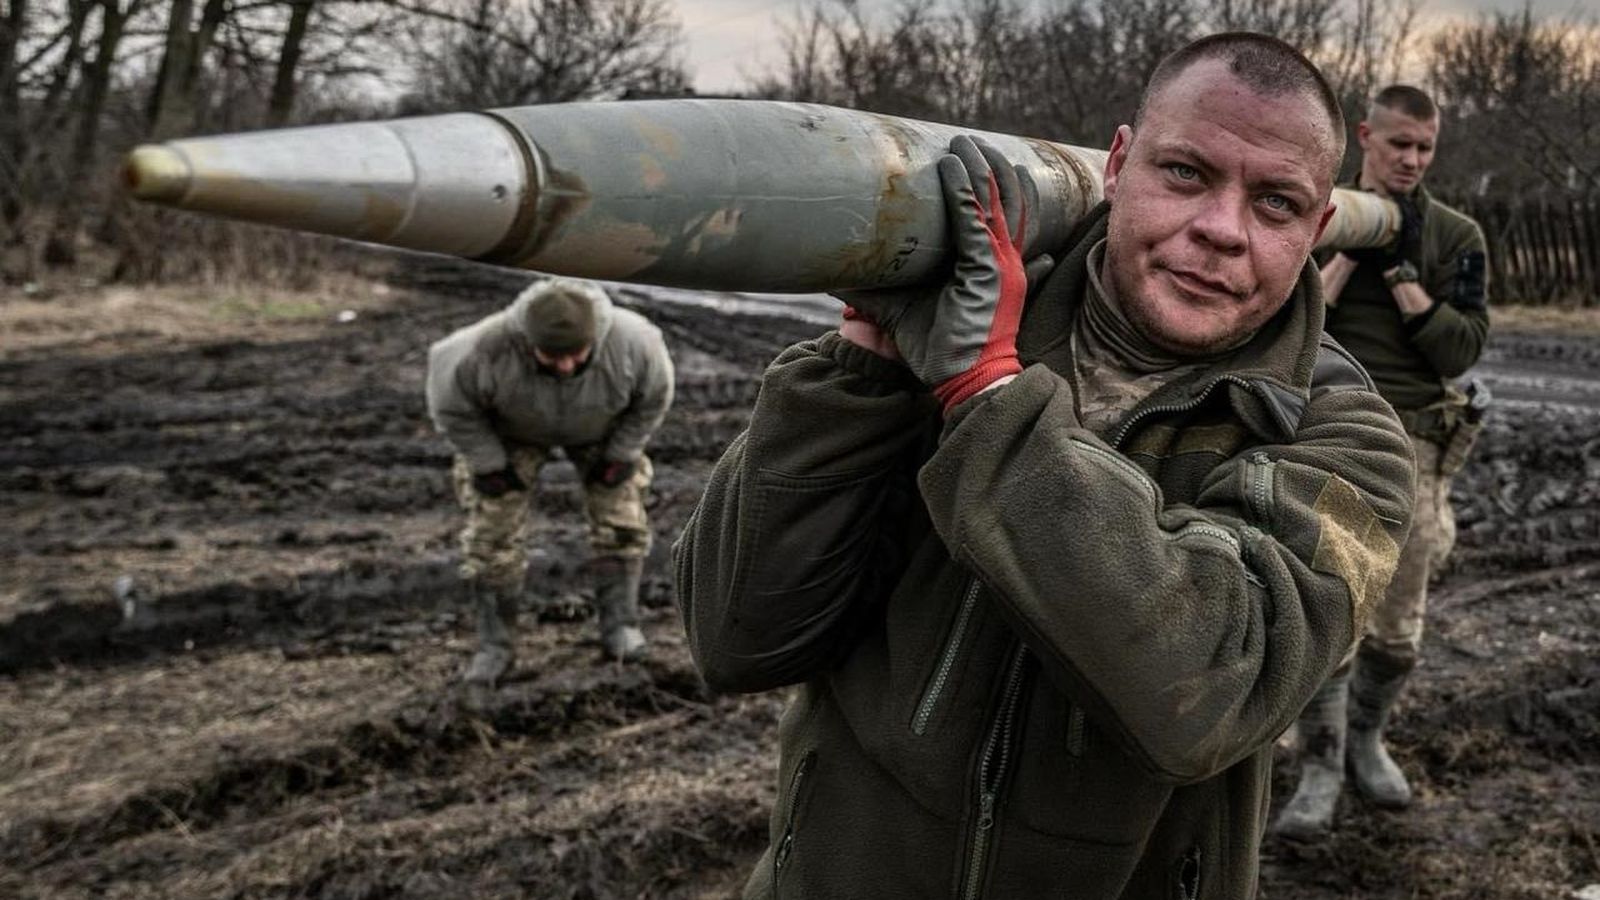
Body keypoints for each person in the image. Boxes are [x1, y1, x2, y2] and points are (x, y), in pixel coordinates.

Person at [674, 32, 1415, 899]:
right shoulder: (961, 323)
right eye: (1185, 173)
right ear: (1118, 165)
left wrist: (987, 396)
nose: (1221, 230)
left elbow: (1208, 693)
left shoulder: (1346, 442)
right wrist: (860, 372)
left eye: (1277, 203)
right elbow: (738, 639)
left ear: (1318, 228)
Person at [1273, 85, 1492, 838]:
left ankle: (1367, 738)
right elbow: (1279, 323)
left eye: (1425, 148)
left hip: (1418, 441)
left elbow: (1460, 350)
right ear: (1367, 135)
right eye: (1400, 144)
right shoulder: (1319, 214)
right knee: (1329, 605)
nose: (1412, 160)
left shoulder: (1456, 236)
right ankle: (1321, 761)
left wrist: (1402, 276)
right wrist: (1339, 257)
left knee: (1398, 627)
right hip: (1327, 430)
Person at [426, 277, 674, 697]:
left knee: (622, 524)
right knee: (491, 535)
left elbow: (653, 399)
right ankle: (495, 648)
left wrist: (622, 453)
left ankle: (621, 629)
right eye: (551, 357)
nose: (564, 367)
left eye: (576, 356)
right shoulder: (479, 350)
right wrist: (488, 462)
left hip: (601, 428)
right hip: (512, 432)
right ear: (528, 342)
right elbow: (451, 407)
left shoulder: (637, 343)